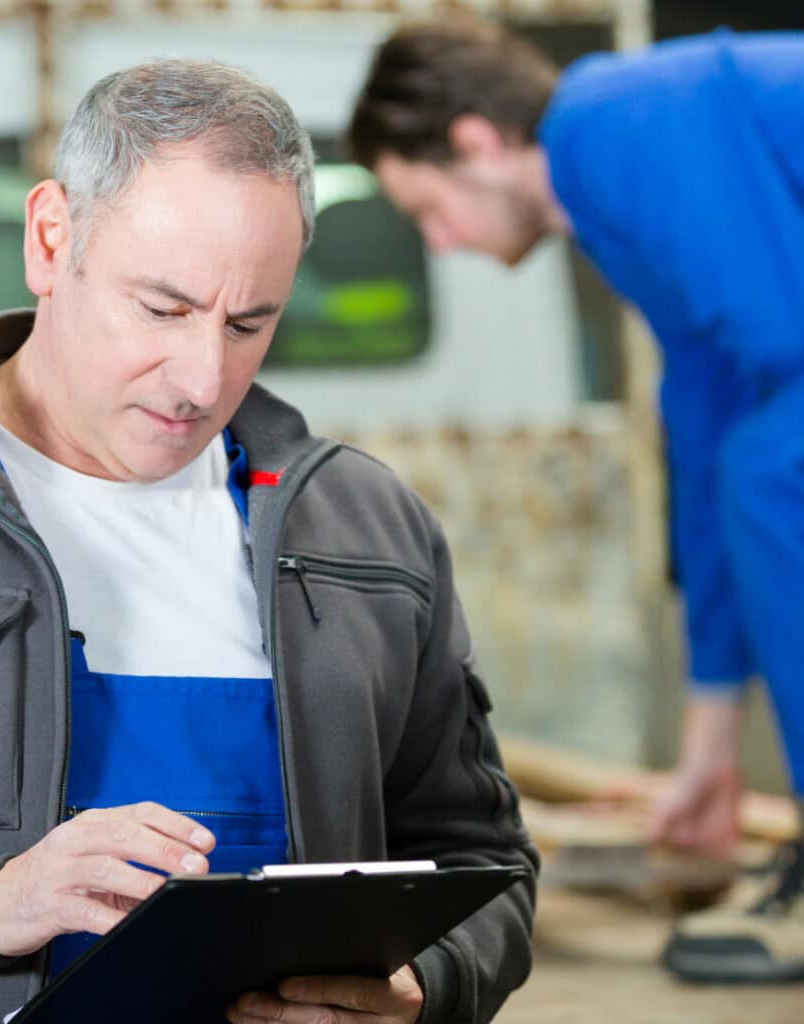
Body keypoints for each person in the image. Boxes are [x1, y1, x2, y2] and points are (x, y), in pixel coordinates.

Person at [0, 59, 536, 1023]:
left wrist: (421, 990)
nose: (199, 375)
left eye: (250, 323)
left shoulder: (367, 527)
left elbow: (485, 865)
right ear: (52, 240)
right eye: (163, 308)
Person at [348, 15, 804, 984]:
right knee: (741, 464)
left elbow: (777, 347)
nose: (442, 242)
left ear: (474, 141)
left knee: (770, 466)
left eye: (427, 209)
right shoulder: (612, 193)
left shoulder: (606, 124)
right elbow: (707, 423)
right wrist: (706, 755)